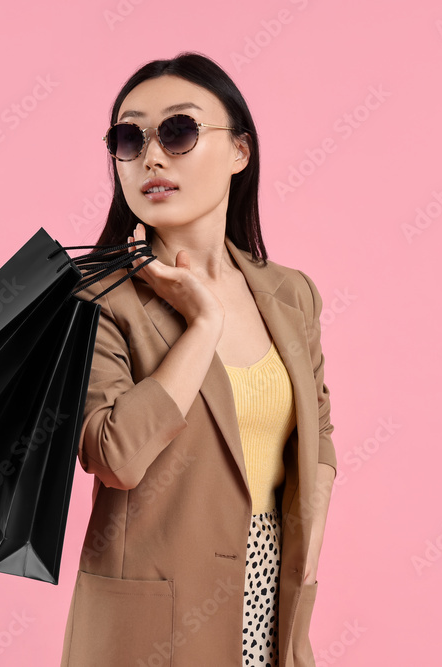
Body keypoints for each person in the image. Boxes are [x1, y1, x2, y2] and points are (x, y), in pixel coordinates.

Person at [59, 52, 337, 667]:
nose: (152, 157)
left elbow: (319, 429)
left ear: (240, 151)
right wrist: (202, 324)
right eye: (129, 138)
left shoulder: (292, 294)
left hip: (274, 598)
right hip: (158, 620)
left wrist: (309, 540)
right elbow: (114, 455)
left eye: (179, 132)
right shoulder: (97, 298)